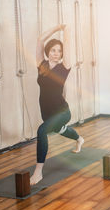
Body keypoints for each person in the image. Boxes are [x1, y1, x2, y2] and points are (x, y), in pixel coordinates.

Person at [30, 24, 84, 185]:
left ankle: (38, 172)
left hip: (62, 111)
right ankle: (79, 139)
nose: (56, 53)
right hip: (47, 113)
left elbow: (67, 43)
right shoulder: (42, 65)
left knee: (42, 131)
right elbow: (40, 39)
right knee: (60, 129)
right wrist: (56, 28)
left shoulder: (64, 67)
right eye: (53, 50)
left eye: (59, 51)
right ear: (48, 51)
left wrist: (65, 30)